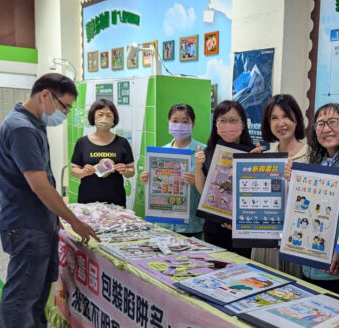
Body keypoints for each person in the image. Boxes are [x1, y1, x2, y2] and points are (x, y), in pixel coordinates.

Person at [0, 73, 99, 328]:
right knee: (23, 287)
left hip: (39, 220)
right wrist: (73, 220)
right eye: (64, 107)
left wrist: (55, 217)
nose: (64, 114)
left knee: (40, 282)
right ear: (45, 95)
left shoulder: (32, 124)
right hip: (25, 222)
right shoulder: (21, 128)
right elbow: (39, 184)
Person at [285, 103, 339, 299]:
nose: (326, 129)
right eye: (320, 124)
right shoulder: (313, 163)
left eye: (333, 122)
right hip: (308, 263)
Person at [253, 94, 310, 274]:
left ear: (296, 119)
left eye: (286, 116)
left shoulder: (313, 157)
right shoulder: (263, 158)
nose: (281, 123)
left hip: (297, 240)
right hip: (266, 241)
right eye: (274, 118)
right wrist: (247, 170)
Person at [194, 100, 256, 256]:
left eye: (233, 120)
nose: (227, 125)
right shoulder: (209, 152)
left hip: (242, 228)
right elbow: (203, 191)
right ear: (216, 124)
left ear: (243, 124)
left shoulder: (253, 152)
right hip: (214, 226)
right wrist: (198, 167)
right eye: (222, 120)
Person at [139, 103, 204, 237]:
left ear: (193, 124)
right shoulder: (161, 153)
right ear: (168, 122)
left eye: (185, 121)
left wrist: (197, 181)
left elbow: (212, 191)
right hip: (163, 224)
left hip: (191, 225)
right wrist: (149, 181)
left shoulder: (203, 152)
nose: (179, 126)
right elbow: (155, 190)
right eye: (175, 121)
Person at [70, 99, 135, 207]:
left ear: (114, 119)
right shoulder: (82, 142)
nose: (104, 118)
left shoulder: (122, 142)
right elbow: (73, 170)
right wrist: (83, 172)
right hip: (88, 200)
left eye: (108, 115)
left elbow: (132, 171)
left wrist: (125, 171)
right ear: (93, 117)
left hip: (116, 201)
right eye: (100, 114)